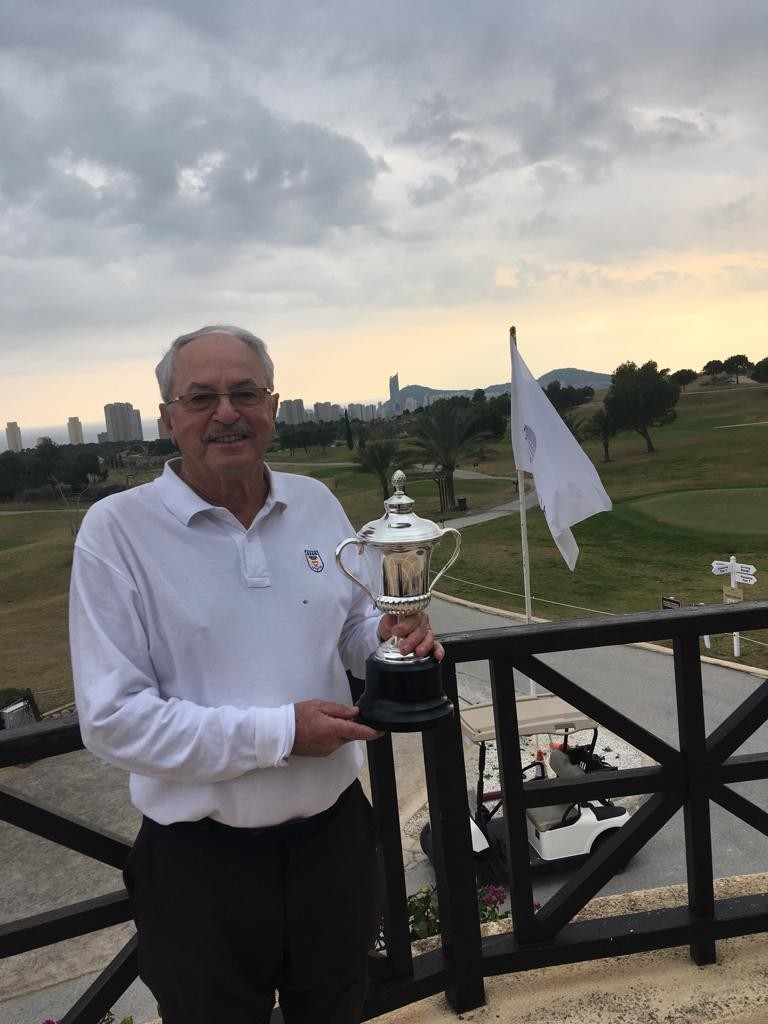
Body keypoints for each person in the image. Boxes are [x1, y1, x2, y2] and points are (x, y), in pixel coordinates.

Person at [69, 325, 443, 1024]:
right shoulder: (116, 531)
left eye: (245, 392)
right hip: (199, 866)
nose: (226, 413)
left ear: (272, 404)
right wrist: (279, 733)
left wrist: (396, 636)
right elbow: (114, 720)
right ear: (167, 418)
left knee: (337, 1009)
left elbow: (354, 632)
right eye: (201, 396)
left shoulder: (314, 503)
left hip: (333, 841)